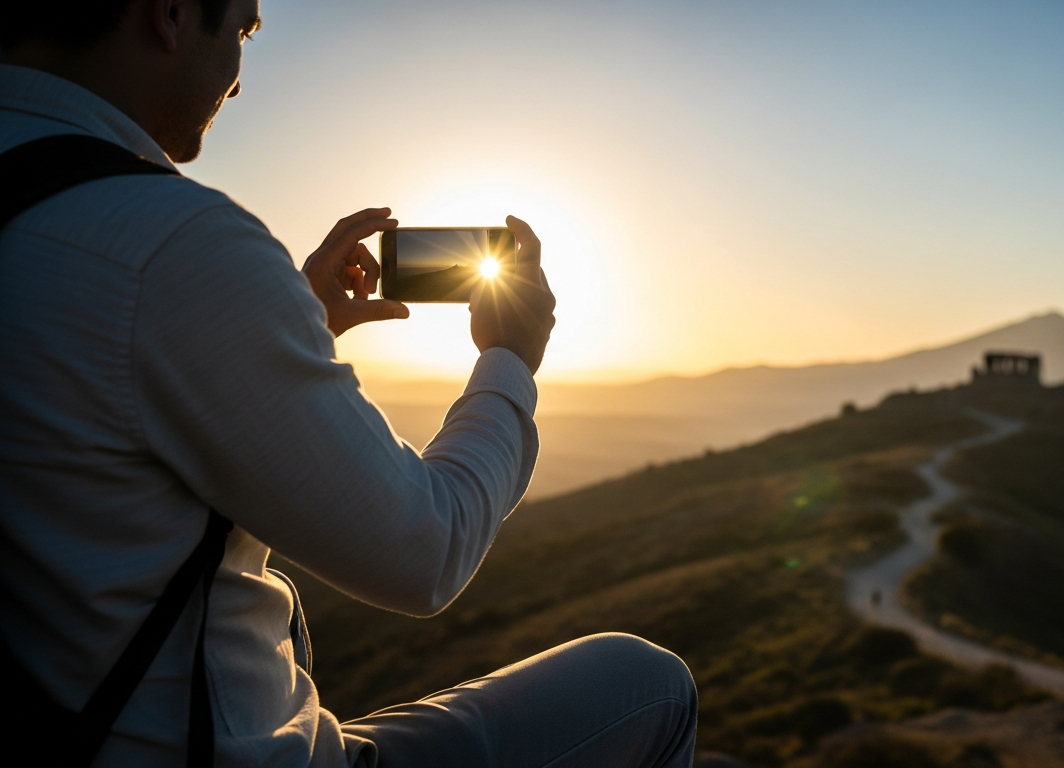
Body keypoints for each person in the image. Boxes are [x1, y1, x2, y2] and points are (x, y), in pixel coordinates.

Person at [0, 1, 697, 766]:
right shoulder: (170, 240)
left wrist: (287, 326)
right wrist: (510, 358)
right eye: (243, 28)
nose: (238, 75)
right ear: (168, 13)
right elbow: (426, 551)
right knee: (649, 684)